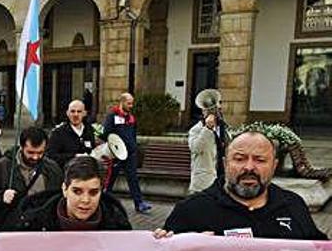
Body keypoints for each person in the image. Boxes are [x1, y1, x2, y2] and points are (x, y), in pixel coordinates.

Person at [156, 131, 327, 240]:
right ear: (225, 164)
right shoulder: (192, 209)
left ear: (274, 166)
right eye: (239, 159)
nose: (249, 167)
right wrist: (164, 243)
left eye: (260, 160)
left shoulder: (293, 205)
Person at [13, 155, 132, 232]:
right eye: (77, 191)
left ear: (102, 191)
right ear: (65, 189)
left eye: (93, 192)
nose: (85, 200)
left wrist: (150, 245)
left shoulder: (118, 223)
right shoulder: (32, 222)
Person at [0, 126, 62, 231]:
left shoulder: (52, 169)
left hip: (41, 231)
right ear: (21, 147)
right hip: (9, 230)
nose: (35, 157)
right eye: (30, 152)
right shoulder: (2, 166)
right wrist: (0, 196)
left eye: (40, 153)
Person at [102, 93, 151, 214]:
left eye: (132, 103)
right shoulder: (112, 116)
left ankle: (139, 203)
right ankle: (103, 202)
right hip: (116, 155)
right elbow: (106, 134)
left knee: (133, 179)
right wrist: (114, 149)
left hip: (129, 154)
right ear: (122, 102)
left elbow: (133, 134)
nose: (131, 106)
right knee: (110, 180)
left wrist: (133, 147)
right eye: (129, 103)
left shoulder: (131, 117)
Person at [187, 106, 229, 194]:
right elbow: (195, 148)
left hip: (221, 178)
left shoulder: (222, 128)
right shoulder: (196, 129)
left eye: (216, 108)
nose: (214, 111)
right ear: (203, 112)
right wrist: (207, 128)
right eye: (207, 109)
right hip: (203, 181)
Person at [47, 99, 96, 169]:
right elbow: (51, 156)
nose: (75, 114)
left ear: (84, 113)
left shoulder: (89, 130)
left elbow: (92, 150)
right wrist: (74, 157)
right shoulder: (58, 133)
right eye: (72, 111)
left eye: (79, 111)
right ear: (67, 113)